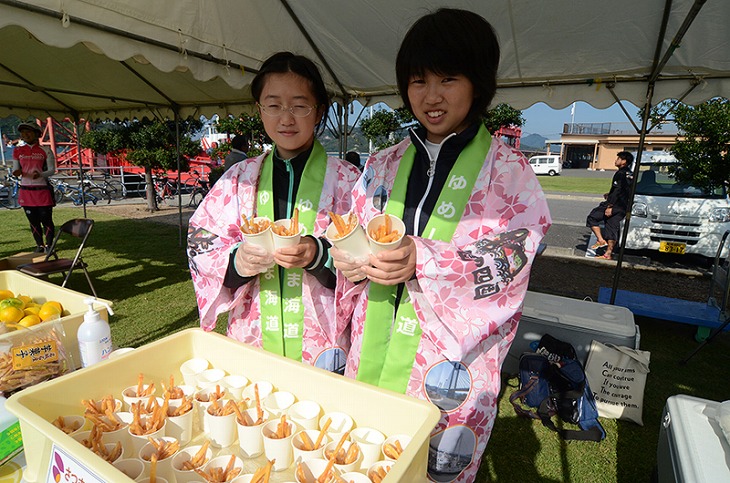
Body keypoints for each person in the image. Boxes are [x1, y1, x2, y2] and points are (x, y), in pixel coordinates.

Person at [330, 9, 551, 482]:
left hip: (448, 370)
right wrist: (347, 257)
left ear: (478, 83)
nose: (430, 96)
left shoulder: (510, 173)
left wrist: (423, 260)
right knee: (359, 462)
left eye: (448, 78)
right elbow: (352, 230)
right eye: (417, 81)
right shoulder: (383, 164)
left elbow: (514, 254)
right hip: (372, 346)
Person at [187, 52, 361, 373]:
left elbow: (368, 262)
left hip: (324, 343)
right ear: (259, 110)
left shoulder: (350, 181)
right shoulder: (238, 179)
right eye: (274, 105)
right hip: (252, 337)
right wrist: (237, 262)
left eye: (299, 105)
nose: (286, 118)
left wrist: (319, 254)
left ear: (319, 110)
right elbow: (202, 243)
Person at [12, 121, 56, 253]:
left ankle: (49, 246)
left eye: (29, 131)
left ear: (37, 134)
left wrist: (41, 174)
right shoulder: (18, 150)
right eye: (23, 132)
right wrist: (16, 173)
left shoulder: (46, 150)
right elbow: (16, 169)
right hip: (26, 191)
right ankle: (39, 246)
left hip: (42, 190)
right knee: (33, 221)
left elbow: (52, 170)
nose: (25, 134)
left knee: (46, 220)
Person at [586, 151, 634, 260]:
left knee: (592, 217)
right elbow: (625, 191)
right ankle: (608, 253)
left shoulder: (620, 174)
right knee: (612, 228)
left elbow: (617, 190)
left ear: (624, 161)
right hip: (623, 206)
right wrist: (610, 194)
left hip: (614, 206)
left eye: (618, 159)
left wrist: (610, 206)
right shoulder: (630, 174)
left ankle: (600, 240)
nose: (616, 160)